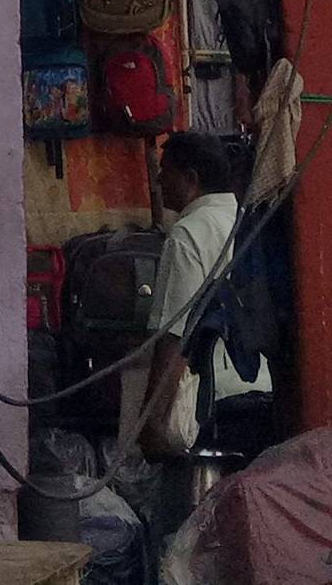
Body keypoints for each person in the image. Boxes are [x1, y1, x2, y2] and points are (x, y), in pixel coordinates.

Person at [134, 133, 273, 541]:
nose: (159, 184)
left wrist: (153, 422)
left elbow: (176, 336)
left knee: (190, 538)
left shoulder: (187, 234)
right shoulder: (247, 220)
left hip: (214, 408)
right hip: (263, 392)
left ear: (190, 178)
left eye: (166, 174)